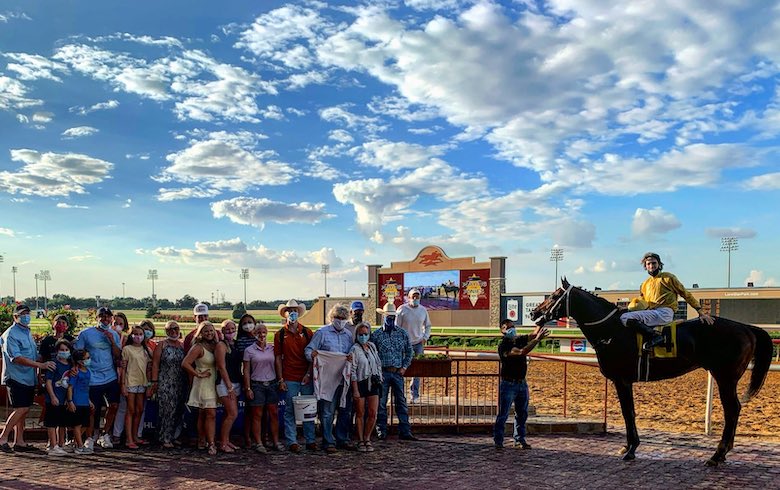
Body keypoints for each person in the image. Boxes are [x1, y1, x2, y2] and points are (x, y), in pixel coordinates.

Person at [621, 252, 714, 352]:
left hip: (664, 313)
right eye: (648, 264)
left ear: (659, 264)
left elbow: (685, 293)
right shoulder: (644, 284)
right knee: (626, 315)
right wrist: (626, 309)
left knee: (625, 317)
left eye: (654, 263)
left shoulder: (668, 277)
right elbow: (641, 304)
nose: (651, 266)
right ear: (645, 266)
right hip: (652, 313)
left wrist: (700, 311)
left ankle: (656, 336)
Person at [0, 304, 56, 453]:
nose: (26, 316)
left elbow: (32, 355)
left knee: (24, 410)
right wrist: (40, 365)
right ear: (15, 317)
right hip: (16, 376)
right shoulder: (11, 334)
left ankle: (19, 441)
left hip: (28, 377)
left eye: (27, 313)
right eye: (22, 314)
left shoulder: (26, 332)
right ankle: (3, 438)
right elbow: (16, 358)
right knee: (21, 408)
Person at [305, 304, 356, 453]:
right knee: (327, 412)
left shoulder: (348, 335)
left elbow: (351, 352)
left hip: (343, 379)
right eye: (337, 318)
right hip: (327, 379)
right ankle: (328, 441)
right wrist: (313, 355)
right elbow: (308, 350)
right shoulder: (322, 332)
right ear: (331, 318)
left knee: (344, 411)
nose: (340, 320)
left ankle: (342, 439)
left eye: (343, 318)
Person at [493, 319, 549, 450]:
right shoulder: (504, 346)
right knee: (503, 414)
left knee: (522, 414)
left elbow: (533, 334)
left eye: (513, 326)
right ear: (502, 330)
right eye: (508, 327)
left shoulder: (519, 340)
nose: (512, 329)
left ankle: (519, 440)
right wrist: (537, 341)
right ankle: (498, 441)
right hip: (508, 384)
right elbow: (522, 352)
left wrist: (541, 321)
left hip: (522, 384)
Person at [73, 306, 121, 451]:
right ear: (97, 318)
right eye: (102, 316)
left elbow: (118, 354)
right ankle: (89, 437)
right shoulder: (86, 334)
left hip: (110, 376)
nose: (105, 319)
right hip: (93, 377)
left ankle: (105, 434)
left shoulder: (114, 334)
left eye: (108, 316)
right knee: (92, 409)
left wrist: (112, 341)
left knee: (113, 406)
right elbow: (77, 353)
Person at [370, 302, 416, 441]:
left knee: (401, 402)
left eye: (392, 316)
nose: (390, 319)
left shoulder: (402, 333)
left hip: (397, 372)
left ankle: (405, 430)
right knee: (382, 403)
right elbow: (373, 354)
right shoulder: (376, 335)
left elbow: (409, 351)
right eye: (388, 316)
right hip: (383, 372)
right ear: (383, 316)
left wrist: (404, 367)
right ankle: (381, 430)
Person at [274, 299, 315, 453]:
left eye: (295, 310)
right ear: (284, 314)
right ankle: (292, 440)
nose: (292, 313)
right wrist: (280, 379)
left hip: (305, 376)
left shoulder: (307, 332)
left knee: (308, 409)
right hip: (289, 376)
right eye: (289, 310)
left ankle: (310, 439)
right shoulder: (280, 334)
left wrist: (309, 373)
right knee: (290, 410)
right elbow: (278, 357)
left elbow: (312, 355)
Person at [243, 322, 281, 453]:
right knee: (257, 415)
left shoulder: (272, 349)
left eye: (264, 331)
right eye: (258, 332)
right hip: (256, 384)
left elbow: (277, 365)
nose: (262, 334)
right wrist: (248, 388)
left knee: (274, 414)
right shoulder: (249, 351)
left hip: (271, 384)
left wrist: (280, 380)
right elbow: (246, 370)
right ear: (254, 334)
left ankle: (275, 441)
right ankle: (258, 442)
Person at [182, 321, 219, 455]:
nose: (209, 333)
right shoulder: (198, 347)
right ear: (201, 333)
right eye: (206, 331)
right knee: (210, 413)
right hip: (203, 383)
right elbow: (185, 363)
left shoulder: (216, 345)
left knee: (204, 414)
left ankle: (202, 440)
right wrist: (198, 374)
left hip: (213, 382)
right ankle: (211, 444)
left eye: (211, 331)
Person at [149, 321, 187, 449]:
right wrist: (154, 381)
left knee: (178, 410)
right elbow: (155, 363)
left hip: (180, 382)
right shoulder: (162, 345)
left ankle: (173, 436)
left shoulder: (182, 346)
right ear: (166, 331)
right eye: (170, 329)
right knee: (167, 411)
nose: (173, 331)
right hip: (165, 382)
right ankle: (164, 437)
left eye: (176, 328)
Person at [350, 322, 382, 452]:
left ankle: (367, 437)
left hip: (373, 381)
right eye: (361, 334)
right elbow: (352, 370)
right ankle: (360, 440)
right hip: (361, 382)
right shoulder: (354, 349)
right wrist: (355, 389)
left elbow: (378, 363)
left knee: (373, 413)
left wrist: (379, 377)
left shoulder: (372, 346)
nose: (363, 336)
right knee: (360, 413)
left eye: (366, 334)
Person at [395, 289, 431, 403]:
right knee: (399, 369)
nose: (415, 299)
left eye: (417, 296)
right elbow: (397, 327)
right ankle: (398, 395)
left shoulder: (423, 310)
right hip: (404, 345)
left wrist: (425, 337)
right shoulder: (402, 309)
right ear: (408, 297)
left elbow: (428, 325)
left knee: (417, 371)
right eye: (413, 296)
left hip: (418, 344)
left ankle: (414, 395)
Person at [120, 325, 152, 449]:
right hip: (130, 382)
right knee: (131, 410)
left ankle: (135, 436)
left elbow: (149, 367)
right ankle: (128, 439)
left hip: (142, 382)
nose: (138, 336)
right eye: (135, 334)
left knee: (139, 410)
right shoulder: (127, 349)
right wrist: (123, 384)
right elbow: (123, 368)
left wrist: (149, 384)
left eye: (140, 334)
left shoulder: (147, 350)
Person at [215, 320, 241, 452]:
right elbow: (221, 366)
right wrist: (229, 386)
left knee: (228, 414)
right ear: (222, 331)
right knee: (232, 413)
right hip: (225, 384)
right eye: (227, 329)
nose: (230, 332)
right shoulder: (221, 345)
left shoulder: (235, 345)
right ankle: (223, 443)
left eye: (232, 329)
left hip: (236, 381)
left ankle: (226, 440)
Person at [44, 339, 74, 456]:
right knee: (52, 422)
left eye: (66, 350)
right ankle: (53, 445)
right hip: (54, 398)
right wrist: (52, 396)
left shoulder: (70, 366)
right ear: (57, 351)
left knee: (62, 422)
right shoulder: (53, 364)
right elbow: (48, 382)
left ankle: (61, 443)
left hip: (64, 399)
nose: (64, 352)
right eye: (62, 350)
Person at [236, 313, 259, 448]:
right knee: (250, 411)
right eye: (244, 323)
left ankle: (260, 436)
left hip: (261, 377)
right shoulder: (241, 341)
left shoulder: (259, 338)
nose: (248, 325)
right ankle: (247, 437)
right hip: (248, 379)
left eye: (250, 322)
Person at [66, 349, 94, 455]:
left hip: (85, 401)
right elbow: (70, 387)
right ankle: (80, 445)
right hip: (77, 401)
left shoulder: (87, 372)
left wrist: (89, 401)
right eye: (86, 358)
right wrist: (70, 401)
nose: (88, 360)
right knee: (77, 425)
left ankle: (76, 441)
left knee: (85, 424)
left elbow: (86, 388)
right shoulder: (76, 372)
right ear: (80, 361)